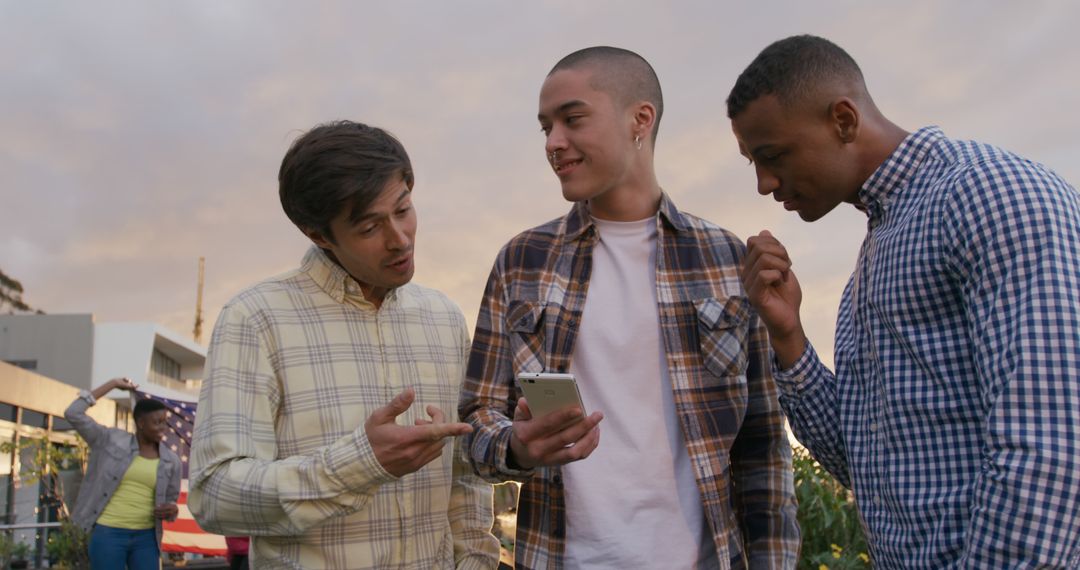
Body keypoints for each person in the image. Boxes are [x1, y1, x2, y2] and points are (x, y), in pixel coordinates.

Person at [728, 34, 1080, 567]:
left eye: (773, 156)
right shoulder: (874, 259)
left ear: (843, 120)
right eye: (754, 162)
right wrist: (789, 336)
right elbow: (863, 464)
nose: (764, 183)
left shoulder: (992, 196)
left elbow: (1050, 450)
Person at [459, 46, 799, 569]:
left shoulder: (727, 258)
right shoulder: (522, 260)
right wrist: (519, 448)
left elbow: (762, 446)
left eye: (572, 119)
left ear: (641, 119)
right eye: (545, 127)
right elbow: (476, 420)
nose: (553, 142)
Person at [188, 120, 499, 569]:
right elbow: (215, 494)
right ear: (319, 235)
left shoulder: (444, 318)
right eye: (370, 227)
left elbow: (463, 478)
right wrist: (360, 462)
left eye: (404, 209)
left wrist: (475, 561)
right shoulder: (256, 318)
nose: (400, 238)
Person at [64, 377, 181, 569]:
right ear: (141, 423)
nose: (163, 428)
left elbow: (171, 502)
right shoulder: (110, 440)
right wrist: (112, 384)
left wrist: (172, 510)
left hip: (146, 538)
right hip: (108, 533)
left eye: (165, 423)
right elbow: (73, 413)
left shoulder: (171, 460)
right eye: (157, 422)